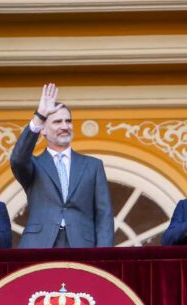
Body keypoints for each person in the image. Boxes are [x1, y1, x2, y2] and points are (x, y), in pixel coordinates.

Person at [10, 83, 114, 248]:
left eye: (68, 121)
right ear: (43, 130)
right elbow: (17, 159)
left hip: (82, 246)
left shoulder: (93, 166)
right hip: (39, 245)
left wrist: (104, 256)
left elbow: (104, 216)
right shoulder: (33, 165)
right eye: (57, 122)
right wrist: (40, 115)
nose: (65, 126)